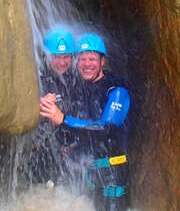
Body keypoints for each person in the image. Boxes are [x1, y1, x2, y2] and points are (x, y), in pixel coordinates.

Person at [40, 33, 131, 211]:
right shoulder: (78, 87)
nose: (87, 64)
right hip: (85, 174)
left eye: (92, 59)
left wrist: (62, 119)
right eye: (82, 59)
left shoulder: (117, 90)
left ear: (102, 61)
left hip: (111, 176)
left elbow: (107, 128)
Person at [29, 26, 78, 185]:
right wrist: (38, 104)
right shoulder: (36, 76)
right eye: (56, 57)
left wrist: (60, 105)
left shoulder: (77, 76)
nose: (62, 62)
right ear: (47, 55)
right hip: (41, 149)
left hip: (70, 147)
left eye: (66, 57)